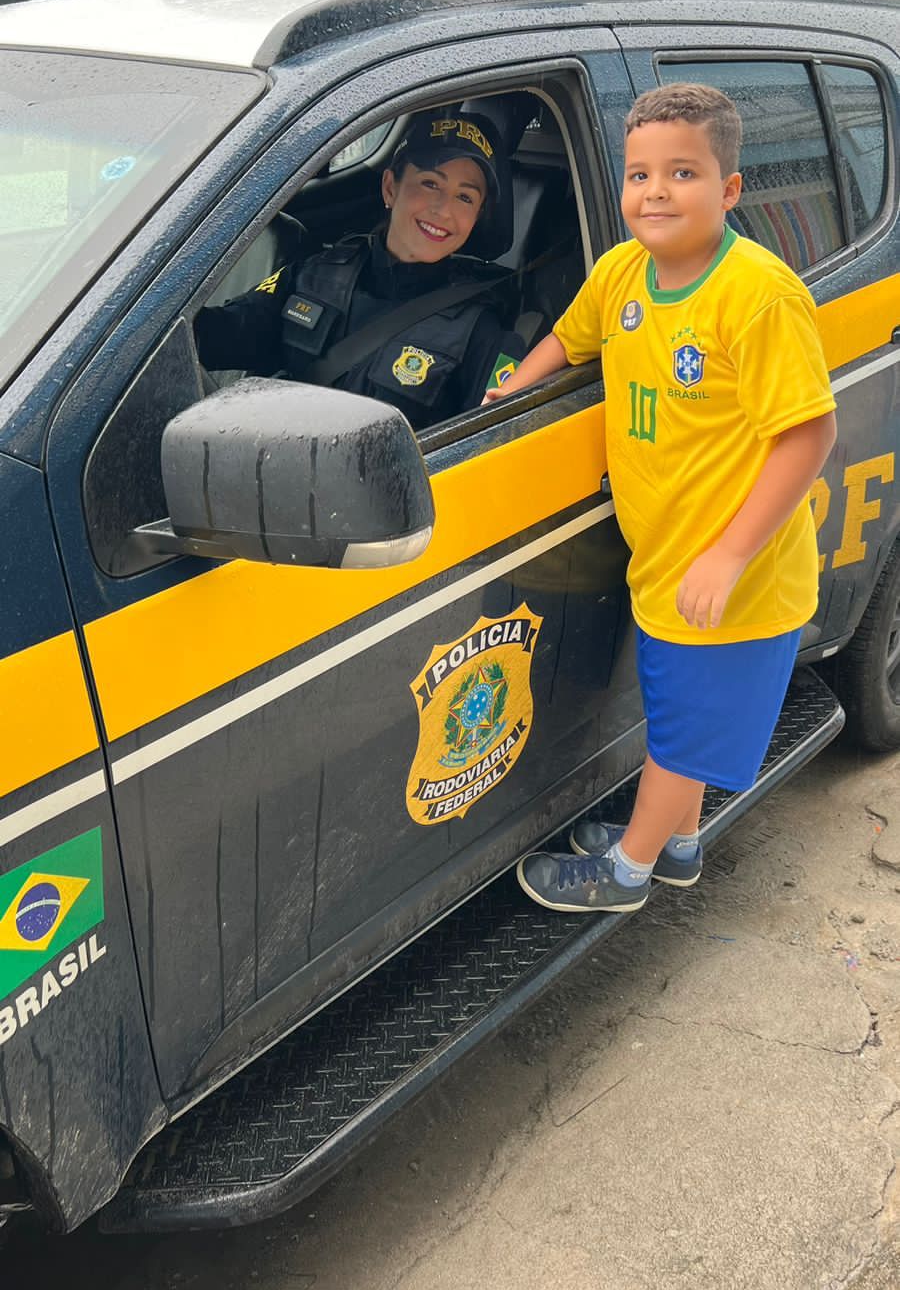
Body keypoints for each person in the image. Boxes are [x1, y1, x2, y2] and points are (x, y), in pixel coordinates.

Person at [483, 82, 837, 914]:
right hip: (666, 556)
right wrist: (511, 395)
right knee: (684, 715)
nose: (656, 192)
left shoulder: (757, 295)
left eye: (683, 173)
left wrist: (729, 555)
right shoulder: (621, 273)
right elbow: (569, 339)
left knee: (684, 735)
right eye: (639, 174)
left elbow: (808, 436)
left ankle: (627, 872)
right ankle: (676, 845)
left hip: (734, 575)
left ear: (730, 188)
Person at [195, 112, 523, 429]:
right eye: (430, 183)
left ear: (477, 216)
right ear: (390, 187)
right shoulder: (316, 273)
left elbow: (487, 443)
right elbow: (212, 337)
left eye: (465, 197)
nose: (444, 210)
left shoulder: (479, 330)